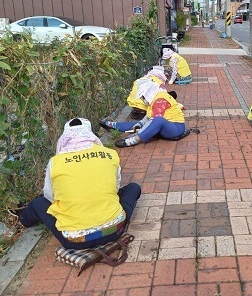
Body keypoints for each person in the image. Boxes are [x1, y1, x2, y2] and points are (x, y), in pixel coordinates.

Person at [17, 118, 141, 249]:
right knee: (133, 188)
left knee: (38, 203)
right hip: (115, 230)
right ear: (89, 133)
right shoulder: (110, 154)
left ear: (65, 137)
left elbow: (50, 196)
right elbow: (115, 187)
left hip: (75, 241)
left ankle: (23, 218)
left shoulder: (55, 162)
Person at [100, 80, 187, 147]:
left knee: (157, 120)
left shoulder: (159, 100)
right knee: (140, 123)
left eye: (142, 97)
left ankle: (135, 140)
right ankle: (114, 126)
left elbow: (154, 119)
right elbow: (148, 117)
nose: (142, 99)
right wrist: (139, 124)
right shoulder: (155, 98)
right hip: (169, 126)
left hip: (176, 128)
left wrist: (138, 133)